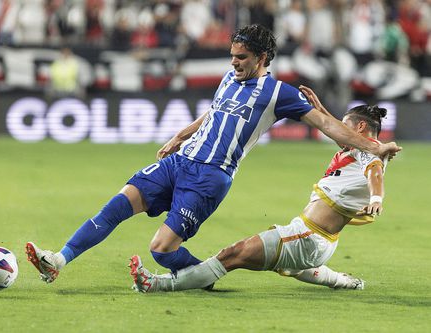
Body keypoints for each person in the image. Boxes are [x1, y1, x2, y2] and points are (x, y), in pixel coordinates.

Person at [26, 24, 401, 284]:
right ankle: (58, 261)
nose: (234, 62)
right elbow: (215, 113)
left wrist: (375, 146)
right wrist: (179, 135)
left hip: (211, 177)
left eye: (242, 57)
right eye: (232, 55)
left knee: (161, 250)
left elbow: (329, 125)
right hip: (179, 161)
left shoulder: (278, 94)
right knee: (115, 207)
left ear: (263, 57)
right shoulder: (229, 78)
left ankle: (203, 277)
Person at [129, 91, 390, 292]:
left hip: (308, 236)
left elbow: (375, 171)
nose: (340, 130)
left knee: (232, 255)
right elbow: (341, 138)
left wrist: (377, 197)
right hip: (318, 239)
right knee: (292, 264)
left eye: (345, 125)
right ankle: (344, 282)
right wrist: (320, 110)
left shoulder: (369, 150)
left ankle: (158, 284)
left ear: (360, 129)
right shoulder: (356, 148)